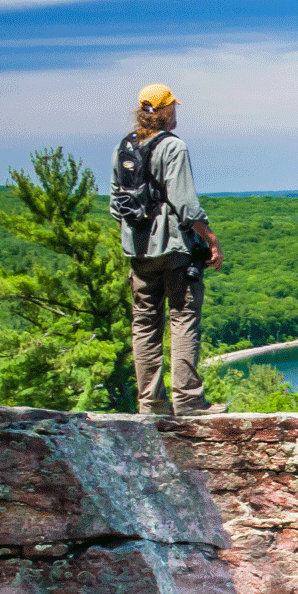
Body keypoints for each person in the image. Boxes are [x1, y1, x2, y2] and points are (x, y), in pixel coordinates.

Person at [114, 83, 224, 416]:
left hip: (138, 250)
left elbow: (115, 201)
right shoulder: (173, 147)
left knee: (145, 326)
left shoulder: (125, 147)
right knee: (183, 321)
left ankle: (151, 404)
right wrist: (211, 240)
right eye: (173, 107)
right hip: (174, 248)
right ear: (166, 111)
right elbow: (185, 205)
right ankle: (189, 401)